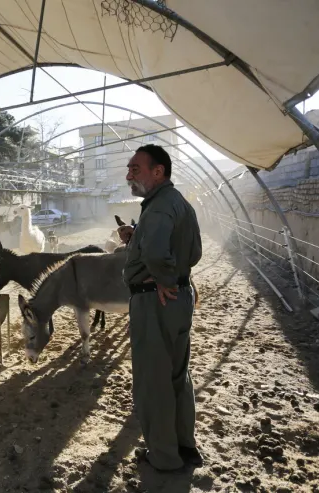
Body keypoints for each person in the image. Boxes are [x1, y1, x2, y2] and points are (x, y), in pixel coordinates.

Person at [121, 144, 203, 471]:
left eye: (136, 169)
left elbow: (156, 254)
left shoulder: (156, 208)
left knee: (153, 383)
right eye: (128, 169)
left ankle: (164, 458)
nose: (129, 174)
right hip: (178, 299)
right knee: (177, 377)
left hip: (155, 302)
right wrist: (138, 236)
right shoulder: (177, 202)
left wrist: (163, 278)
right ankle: (185, 448)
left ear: (159, 171)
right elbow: (192, 252)